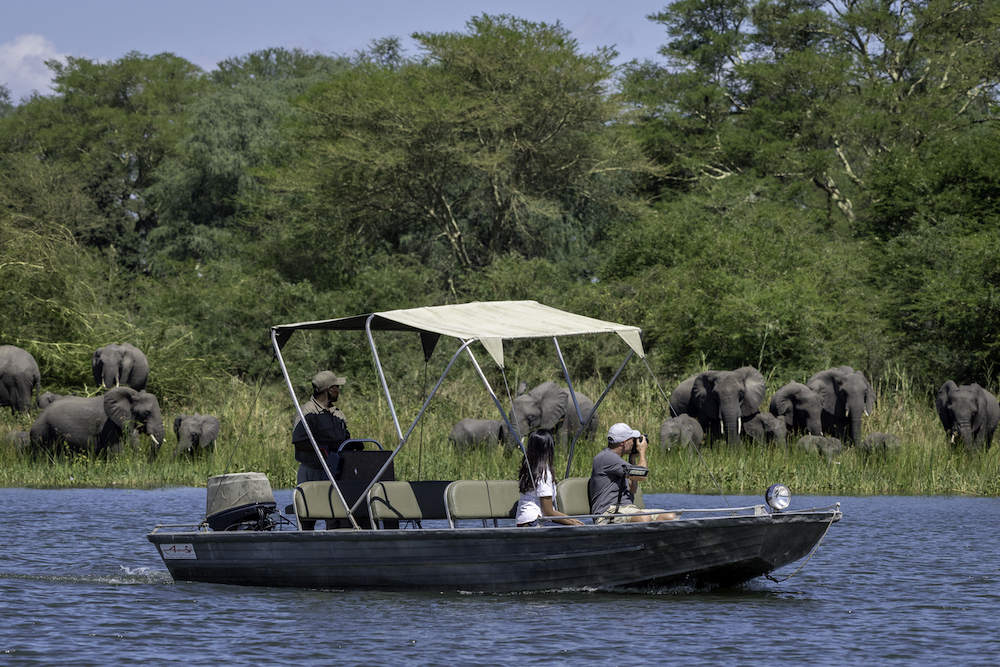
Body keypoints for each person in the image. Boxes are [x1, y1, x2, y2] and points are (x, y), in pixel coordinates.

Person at [292, 371, 350, 530]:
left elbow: (344, 439)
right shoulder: (307, 412)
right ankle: (305, 546)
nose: (339, 390)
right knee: (308, 514)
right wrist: (330, 444)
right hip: (313, 471)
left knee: (334, 514)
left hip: (336, 471)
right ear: (328, 390)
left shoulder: (337, 413)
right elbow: (299, 442)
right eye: (337, 387)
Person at [589, 422, 675, 524]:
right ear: (624, 442)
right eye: (633, 440)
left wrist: (632, 459)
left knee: (670, 517)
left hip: (627, 509)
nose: (634, 443)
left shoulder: (619, 463)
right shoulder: (606, 457)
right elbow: (641, 475)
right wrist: (642, 452)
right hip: (608, 513)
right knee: (644, 518)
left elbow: (632, 489)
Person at [516, 430, 585, 527]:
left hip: (524, 521)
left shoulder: (529, 468)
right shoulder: (544, 473)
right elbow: (548, 512)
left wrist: (570, 519)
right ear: (548, 449)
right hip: (536, 522)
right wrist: (573, 524)